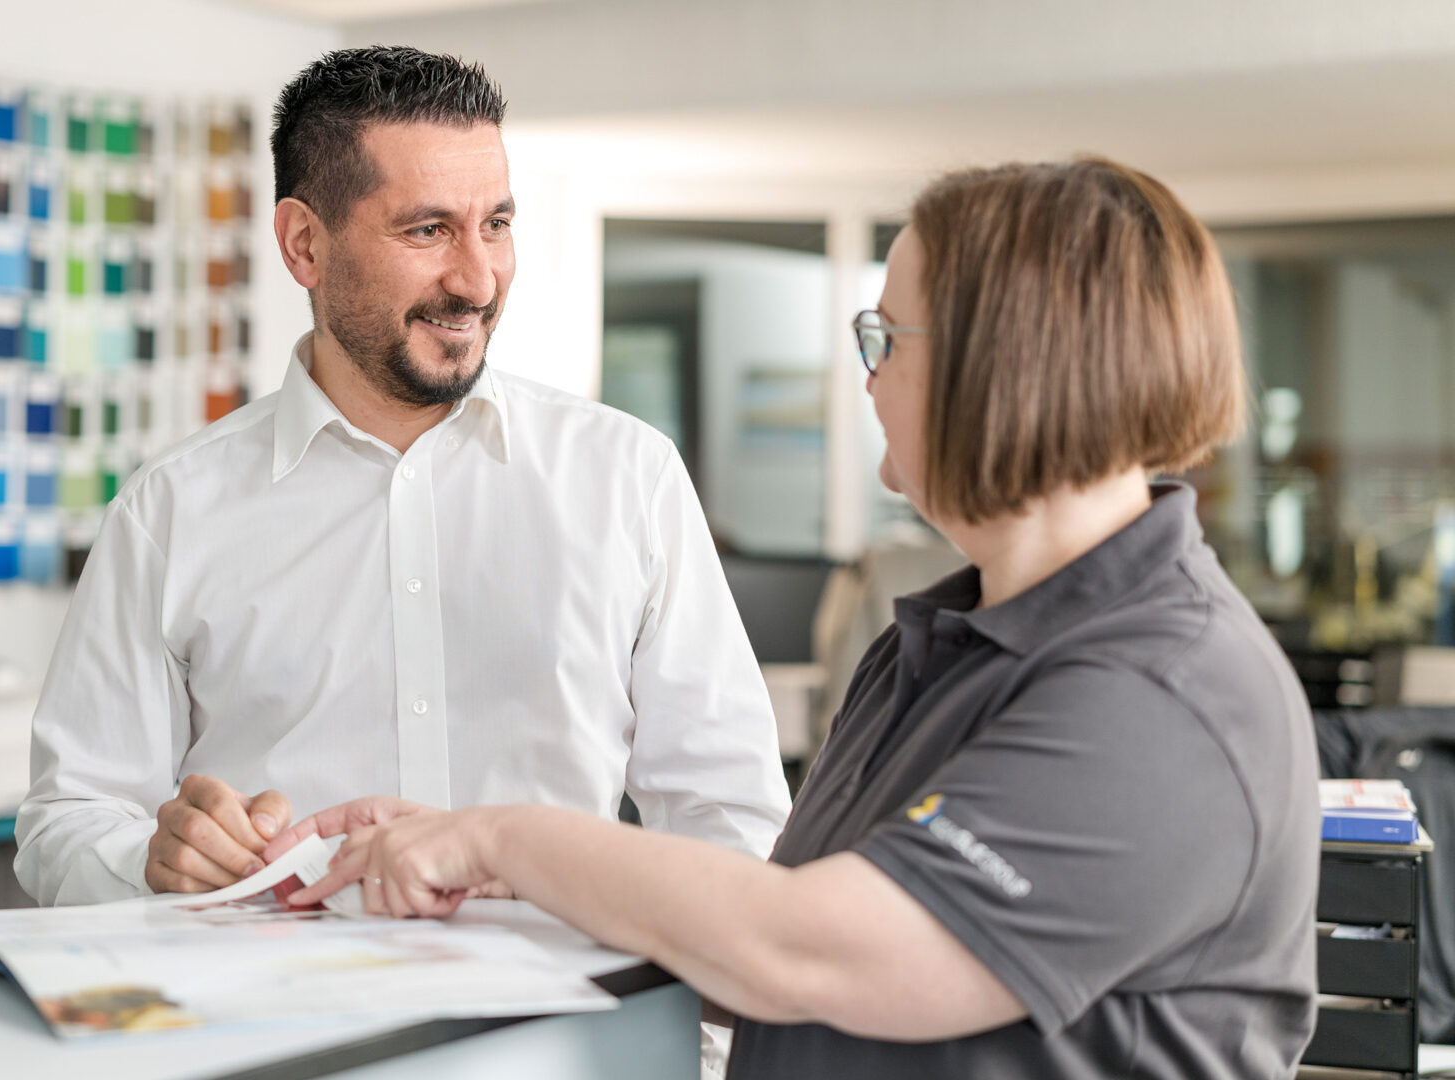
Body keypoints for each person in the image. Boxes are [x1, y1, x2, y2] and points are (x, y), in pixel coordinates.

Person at [278, 158, 1322, 1080]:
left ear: (1007, 361)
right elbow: (744, 958)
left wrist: (500, 833)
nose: (867, 377)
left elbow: (805, 954)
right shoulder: (943, 642)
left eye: (885, 335)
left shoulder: (1164, 696)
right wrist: (475, 859)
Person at [13, 46, 790, 908]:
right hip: (278, 1027)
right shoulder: (170, 510)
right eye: (428, 230)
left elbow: (735, 824)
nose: (477, 278)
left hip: (567, 1029)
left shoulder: (628, 480)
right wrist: (150, 858)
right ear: (305, 245)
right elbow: (67, 822)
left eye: (496, 223)